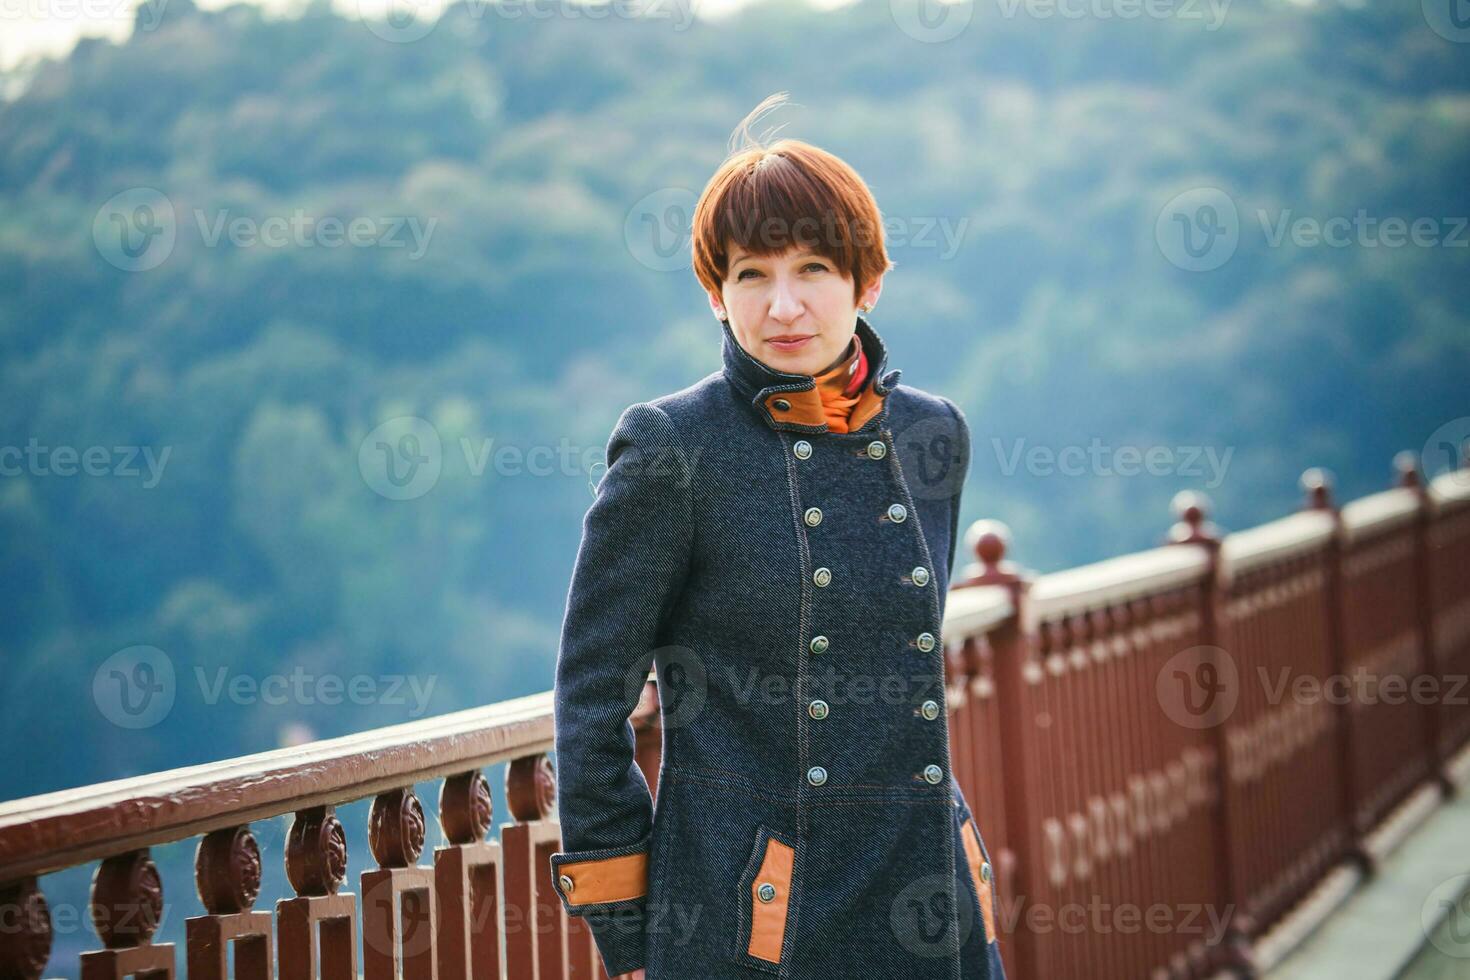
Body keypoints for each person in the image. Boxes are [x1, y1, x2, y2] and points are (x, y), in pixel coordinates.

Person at [548, 93, 1005, 980]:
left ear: (868, 281)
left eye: (814, 270)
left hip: (930, 903)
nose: (783, 305)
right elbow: (590, 704)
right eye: (751, 274)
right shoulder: (670, 447)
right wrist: (629, 928)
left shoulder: (932, 434)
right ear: (715, 293)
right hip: (750, 922)